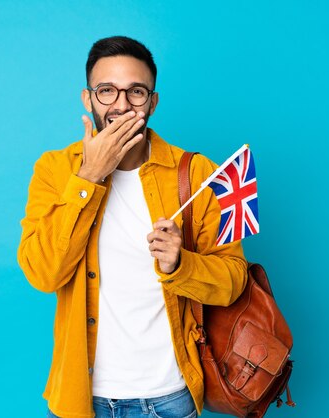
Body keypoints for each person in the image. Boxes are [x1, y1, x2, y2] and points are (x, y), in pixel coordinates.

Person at [18, 36, 248, 418]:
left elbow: (233, 281)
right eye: (106, 91)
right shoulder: (55, 170)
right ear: (87, 98)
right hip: (83, 398)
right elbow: (43, 273)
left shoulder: (197, 174)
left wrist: (181, 265)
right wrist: (90, 175)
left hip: (170, 398)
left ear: (153, 102)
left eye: (136, 92)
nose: (121, 105)